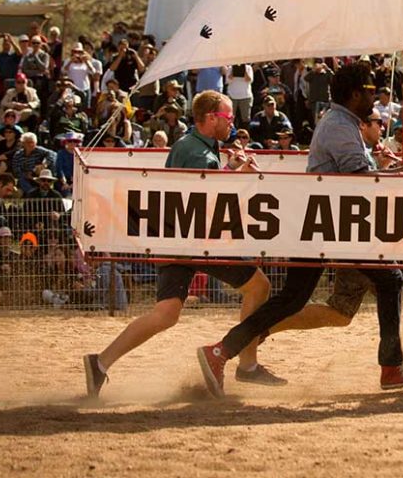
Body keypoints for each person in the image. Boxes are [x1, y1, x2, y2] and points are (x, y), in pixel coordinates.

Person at [194, 63, 403, 398]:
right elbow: (358, 180)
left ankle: (220, 351)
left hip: (326, 226)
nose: (374, 97)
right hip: (330, 227)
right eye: (368, 91)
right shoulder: (339, 126)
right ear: (354, 94)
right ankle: (392, 369)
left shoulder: (342, 123)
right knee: (389, 279)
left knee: (292, 299)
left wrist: (398, 172)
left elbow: (358, 176)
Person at [83, 90, 282, 399]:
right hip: (195, 241)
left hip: (177, 239)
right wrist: (237, 173)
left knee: (166, 313)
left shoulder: (194, 145)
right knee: (258, 287)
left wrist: (230, 169)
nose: (233, 124)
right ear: (212, 118)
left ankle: (101, 363)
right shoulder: (196, 151)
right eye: (229, 118)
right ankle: (248, 365)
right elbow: (208, 197)